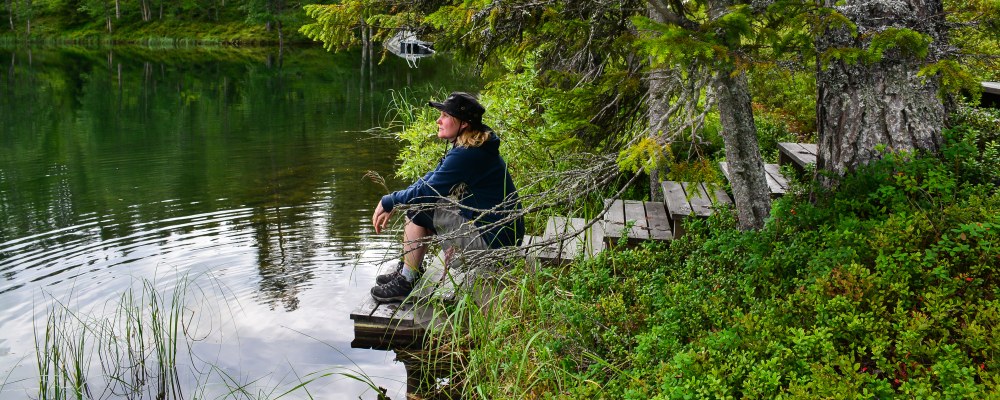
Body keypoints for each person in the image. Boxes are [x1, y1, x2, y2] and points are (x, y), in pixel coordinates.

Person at [370, 92, 524, 302]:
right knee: (420, 201)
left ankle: (406, 281)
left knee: (418, 208)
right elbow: (428, 181)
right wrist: (394, 199)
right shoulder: (471, 147)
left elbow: (425, 193)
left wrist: (389, 201)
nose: (438, 120)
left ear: (463, 123)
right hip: (497, 236)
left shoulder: (468, 154)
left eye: (445, 116)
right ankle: (408, 271)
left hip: (493, 249)